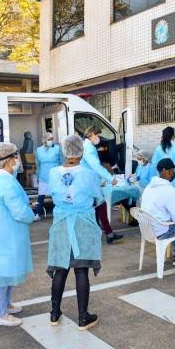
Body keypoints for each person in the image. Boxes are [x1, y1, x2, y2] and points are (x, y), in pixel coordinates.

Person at [0, 142, 35, 327]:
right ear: (9, 161)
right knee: (1, 273)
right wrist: (32, 215)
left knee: (7, 270)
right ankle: (0, 313)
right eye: (16, 158)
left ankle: (5, 305)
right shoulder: (4, 181)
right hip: (4, 234)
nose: (18, 161)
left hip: (2, 232)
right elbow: (18, 211)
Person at [48, 135, 102, 330]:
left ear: (64, 150)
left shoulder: (53, 172)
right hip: (82, 223)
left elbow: (50, 193)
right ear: (81, 151)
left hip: (61, 222)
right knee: (81, 269)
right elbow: (98, 197)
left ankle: (54, 313)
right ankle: (82, 317)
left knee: (60, 268)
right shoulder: (88, 174)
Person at [141, 158, 175, 267]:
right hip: (161, 231)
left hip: (147, 229)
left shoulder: (149, 187)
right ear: (169, 171)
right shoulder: (169, 190)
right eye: (173, 171)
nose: (174, 173)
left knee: (173, 221)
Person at [82, 126, 123, 244]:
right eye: (97, 135)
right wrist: (111, 178)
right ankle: (107, 234)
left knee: (96, 207)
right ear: (90, 135)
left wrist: (101, 179)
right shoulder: (88, 149)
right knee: (100, 206)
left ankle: (105, 233)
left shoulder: (88, 146)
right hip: (90, 183)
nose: (98, 138)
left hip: (91, 181)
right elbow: (95, 166)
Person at [34, 132, 63, 219]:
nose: (51, 141)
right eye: (49, 139)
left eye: (52, 139)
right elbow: (37, 164)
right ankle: (37, 214)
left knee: (56, 195)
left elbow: (62, 162)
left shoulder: (57, 148)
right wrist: (38, 176)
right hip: (43, 176)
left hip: (56, 175)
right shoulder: (39, 150)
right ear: (44, 140)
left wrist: (62, 174)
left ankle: (57, 214)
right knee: (41, 196)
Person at [152, 127, 175, 197]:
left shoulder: (158, 148)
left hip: (161, 177)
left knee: (162, 198)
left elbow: (154, 163)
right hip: (174, 178)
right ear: (173, 136)